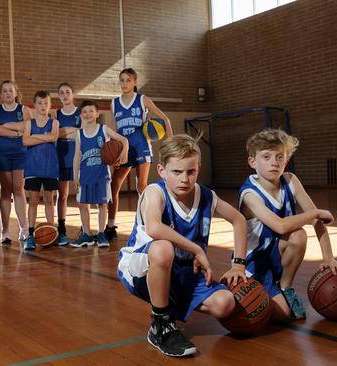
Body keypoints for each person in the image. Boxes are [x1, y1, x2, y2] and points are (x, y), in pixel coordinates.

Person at [117, 134, 247, 357]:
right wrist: (196, 249)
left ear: (198, 168)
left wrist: (239, 265)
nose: (184, 179)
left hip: (184, 273)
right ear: (161, 170)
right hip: (141, 267)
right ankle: (160, 324)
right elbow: (154, 228)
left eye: (191, 172)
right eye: (176, 172)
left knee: (225, 304)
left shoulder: (206, 195)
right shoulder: (154, 192)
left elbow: (239, 220)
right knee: (163, 248)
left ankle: (167, 304)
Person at [239, 129, 337, 320]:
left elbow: (317, 221)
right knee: (281, 315)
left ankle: (285, 288)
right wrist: (314, 213)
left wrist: (329, 258)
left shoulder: (291, 180)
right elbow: (281, 226)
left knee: (299, 234)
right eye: (266, 157)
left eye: (279, 157)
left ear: (286, 161)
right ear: (252, 162)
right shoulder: (250, 194)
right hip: (255, 262)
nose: (274, 162)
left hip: (277, 252)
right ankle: (249, 294)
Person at [107, 68, 173, 241]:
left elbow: (165, 119)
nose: (124, 83)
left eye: (128, 80)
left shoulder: (142, 99)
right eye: (121, 80)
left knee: (141, 185)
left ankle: (150, 223)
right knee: (113, 186)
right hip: (123, 148)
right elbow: (115, 130)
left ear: (135, 82)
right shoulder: (114, 103)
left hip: (141, 144)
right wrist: (114, 152)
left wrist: (172, 142)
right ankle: (110, 225)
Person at [71, 100, 127, 248]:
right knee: (83, 204)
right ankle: (87, 235)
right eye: (84, 112)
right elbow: (77, 156)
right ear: (81, 115)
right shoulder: (79, 134)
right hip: (85, 174)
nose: (88, 114)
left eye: (91, 111)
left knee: (102, 204)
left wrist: (123, 154)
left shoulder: (103, 129)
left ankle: (101, 234)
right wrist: (74, 175)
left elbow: (123, 140)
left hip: (102, 174)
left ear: (97, 113)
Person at [0, 80, 31, 245]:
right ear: (1, 93)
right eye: (4, 91)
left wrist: (8, 126)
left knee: (18, 189)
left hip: (20, 154)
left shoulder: (24, 109)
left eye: (10, 90)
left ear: (15, 92)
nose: (7, 93)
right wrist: (15, 133)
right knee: (5, 191)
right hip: (3, 155)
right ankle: (5, 231)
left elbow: (28, 126)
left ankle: (24, 228)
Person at [22, 91, 59, 250]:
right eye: (39, 103)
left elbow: (54, 138)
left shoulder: (54, 123)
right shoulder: (29, 123)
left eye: (46, 103)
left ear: (50, 105)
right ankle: (30, 235)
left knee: (50, 200)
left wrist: (35, 138)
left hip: (50, 166)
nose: (43, 106)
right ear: (34, 105)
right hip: (33, 167)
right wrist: (45, 136)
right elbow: (25, 140)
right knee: (34, 201)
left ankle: (53, 230)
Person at [53, 83, 82, 246]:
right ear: (59, 96)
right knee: (62, 194)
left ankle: (84, 227)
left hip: (77, 156)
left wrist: (65, 130)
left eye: (67, 92)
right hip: (62, 155)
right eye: (61, 93)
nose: (65, 95)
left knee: (80, 193)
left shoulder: (80, 112)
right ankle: (62, 226)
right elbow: (57, 133)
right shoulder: (56, 114)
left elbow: (83, 130)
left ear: (72, 94)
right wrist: (73, 130)